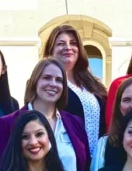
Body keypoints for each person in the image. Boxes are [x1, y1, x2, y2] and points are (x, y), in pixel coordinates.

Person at [0, 58, 91, 171]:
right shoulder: (8, 124)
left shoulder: (75, 123)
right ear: (35, 81)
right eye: (47, 78)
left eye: (59, 80)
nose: (53, 84)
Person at [45, 24, 107, 154]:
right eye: (61, 43)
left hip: (97, 158)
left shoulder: (92, 84)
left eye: (73, 43)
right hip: (68, 159)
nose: (68, 47)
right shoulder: (47, 85)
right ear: (51, 51)